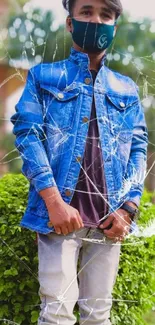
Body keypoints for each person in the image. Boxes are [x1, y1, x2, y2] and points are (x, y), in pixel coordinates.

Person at [11, 0, 148, 324]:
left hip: (109, 221)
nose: (96, 21)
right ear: (71, 22)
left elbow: (139, 150)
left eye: (105, 15)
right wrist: (54, 202)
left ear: (114, 26)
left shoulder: (126, 89)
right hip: (59, 218)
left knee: (98, 316)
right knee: (56, 314)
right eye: (86, 12)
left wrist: (128, 208)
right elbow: (28, 136)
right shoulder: (43, 77)